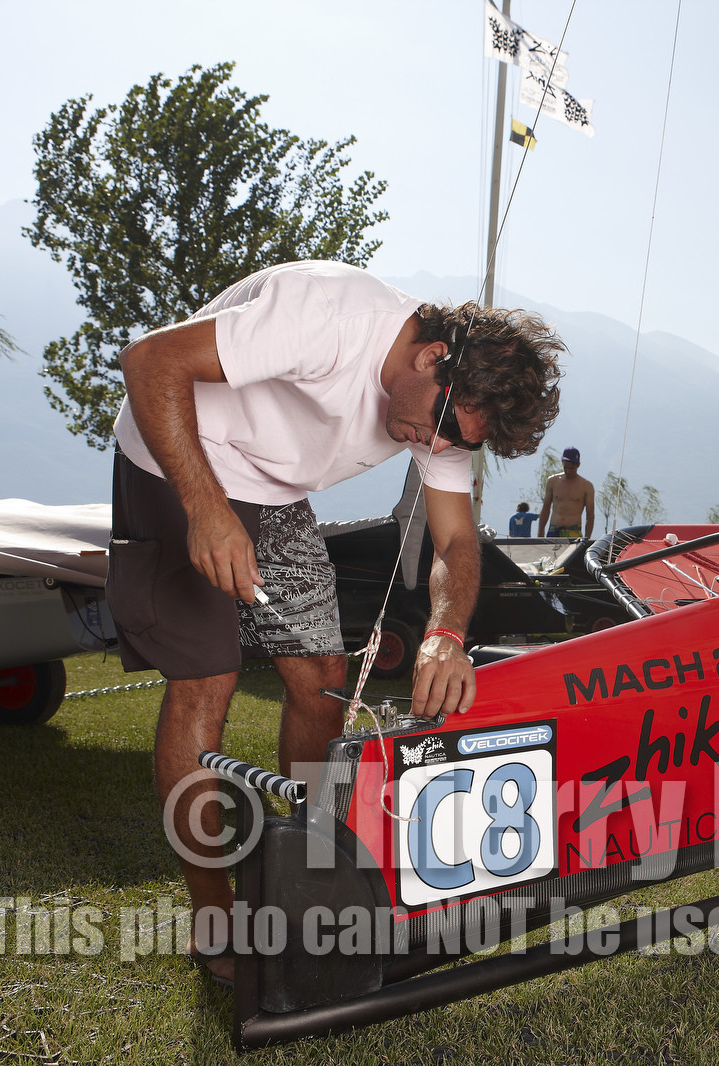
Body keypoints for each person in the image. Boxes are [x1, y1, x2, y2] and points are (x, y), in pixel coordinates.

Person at [108, 259, 562, 982]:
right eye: (446, 428)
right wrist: (206, 510)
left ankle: (303, 888)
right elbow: (149, 360)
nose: (439, 449)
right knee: (207, 683)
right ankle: (214, 920)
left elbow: (456, 542)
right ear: (431, 358)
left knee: (323, 677)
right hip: (178, 454)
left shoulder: (443, 414)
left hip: (274, 487)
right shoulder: (330, 316)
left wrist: (445, 633)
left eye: (463, 444)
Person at [538, 446, 595, 538]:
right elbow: (546, 507)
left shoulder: (586, 486)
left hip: (573, 531)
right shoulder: (553, 481)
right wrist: (540, 532)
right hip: (554, 530)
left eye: (571, 468)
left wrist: (587, 538)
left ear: (578, 465)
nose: (568, 471)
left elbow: (590, 515)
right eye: (565, 467)